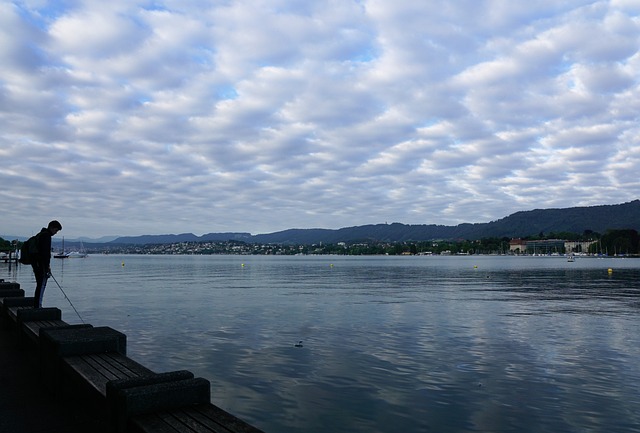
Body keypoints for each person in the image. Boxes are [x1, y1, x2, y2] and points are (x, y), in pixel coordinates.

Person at [32, 220, 62, 308]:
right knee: (41, 285)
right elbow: (45, 253)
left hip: (36, 263)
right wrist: (47, 266)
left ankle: (37, 304)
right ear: (52, 228)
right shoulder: (46, 236)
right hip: (41, 264)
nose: (55, 233)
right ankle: (38, 306)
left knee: (39, 284)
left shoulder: (41, 234)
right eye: (56, 230)